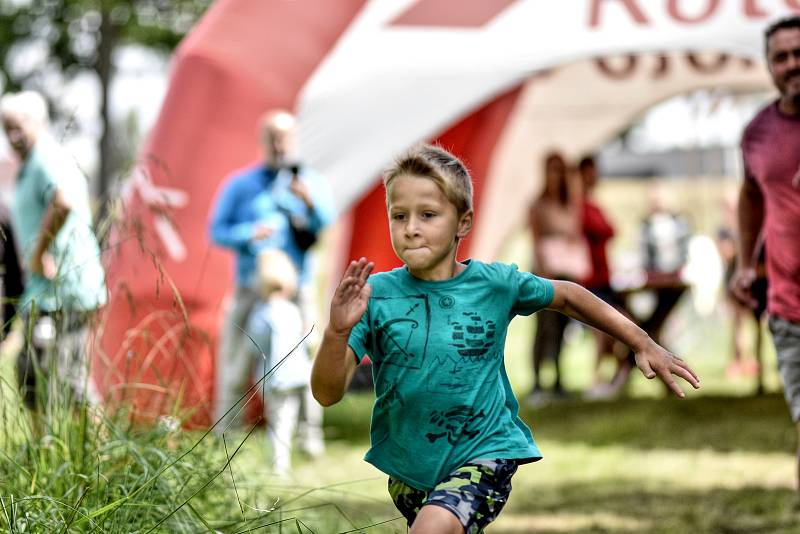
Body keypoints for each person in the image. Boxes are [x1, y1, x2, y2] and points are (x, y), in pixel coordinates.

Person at [311, 144, 700, 534]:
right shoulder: (375, 295)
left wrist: (641, 342)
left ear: (463, 223)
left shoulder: (494, 284)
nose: (411, 227)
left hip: (484, 454)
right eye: (399, 216)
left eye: (428, 215)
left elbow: (567, 295)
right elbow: (327, 393)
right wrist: (337, 331)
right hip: (410, 470)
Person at [209, 110, 333, 458]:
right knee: (234, 360)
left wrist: (308, 201)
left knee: (308, 358)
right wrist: (249, 234)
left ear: (293, 140)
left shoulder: (310, 182)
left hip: (298, 286)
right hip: (251, 284)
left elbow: (326, 222)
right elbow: (216, 230)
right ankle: (226, 437)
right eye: (273, 137)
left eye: (285, 137)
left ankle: (309, 438)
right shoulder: (241, 185)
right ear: (263, 140)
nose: (279, 144)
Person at [0, 90, 107, 412]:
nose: (13, 136)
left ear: (39, 122)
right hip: (43, 291)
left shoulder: (47, 157)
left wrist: (38, 252)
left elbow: (63, 201)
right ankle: (42, 455)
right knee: (30, 378)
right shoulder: (30, 164)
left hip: (65, 287)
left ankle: (100, 458)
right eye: (7, 129)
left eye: (19, 127)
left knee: (71, 383)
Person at [732, 16, 800, 496]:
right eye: (782, 57)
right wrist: (743, 261)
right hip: (790, 308)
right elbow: (751, 194)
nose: (793, 65)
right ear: (769, 66)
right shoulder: (757, 132)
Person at [527, 152, 589, 404]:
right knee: (544, 328)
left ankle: (559, 379)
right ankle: (538, 380)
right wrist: (544, 271)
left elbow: (575, 233)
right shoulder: (538, 206)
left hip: (567, 271)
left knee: (563, 327)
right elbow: (536, 240)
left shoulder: (569, 204)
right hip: (545, 273)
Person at [245, 248, 313, 476]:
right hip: (289, 376)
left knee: (277, 419)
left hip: (268, 377)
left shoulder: (260, 312)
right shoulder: (291, 311)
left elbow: (251, 345)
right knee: (285, 420)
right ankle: (280, 464)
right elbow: (305, 342)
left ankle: (278, 461)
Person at [576, 155, 632, 399]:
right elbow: (603, 230)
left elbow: (611, 230)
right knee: (602, 331)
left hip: (603, 277)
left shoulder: (593, 205)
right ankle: (597, 379)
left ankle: (620, 373)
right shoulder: (579, 207)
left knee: (624, 326)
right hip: (588, 280)